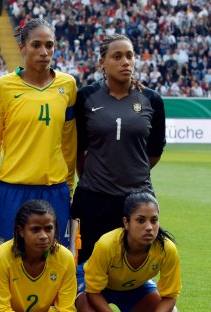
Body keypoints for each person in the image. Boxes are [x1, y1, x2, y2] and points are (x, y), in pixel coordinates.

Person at [71, 34, 167, 264]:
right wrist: (95, 178)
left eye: (130, 56)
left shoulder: (152, 100)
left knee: (134, 268)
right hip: (93, 199)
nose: (126, 61)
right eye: (117, 56)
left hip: (137, 200)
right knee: (88, 268)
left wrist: (130, 172)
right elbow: (79, 148)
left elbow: (154, 151)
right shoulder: (86, 97)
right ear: (102, 62)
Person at [0, 18, 77, 250]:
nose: (44, 52)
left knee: (56, 260)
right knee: (10, 260)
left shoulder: (67, 85)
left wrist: (69, 189)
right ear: (23, 47)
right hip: (12, 190)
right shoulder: (3, 87)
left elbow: (69, 142)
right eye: (36, 45)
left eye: (49, 45)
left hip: (55, 190)